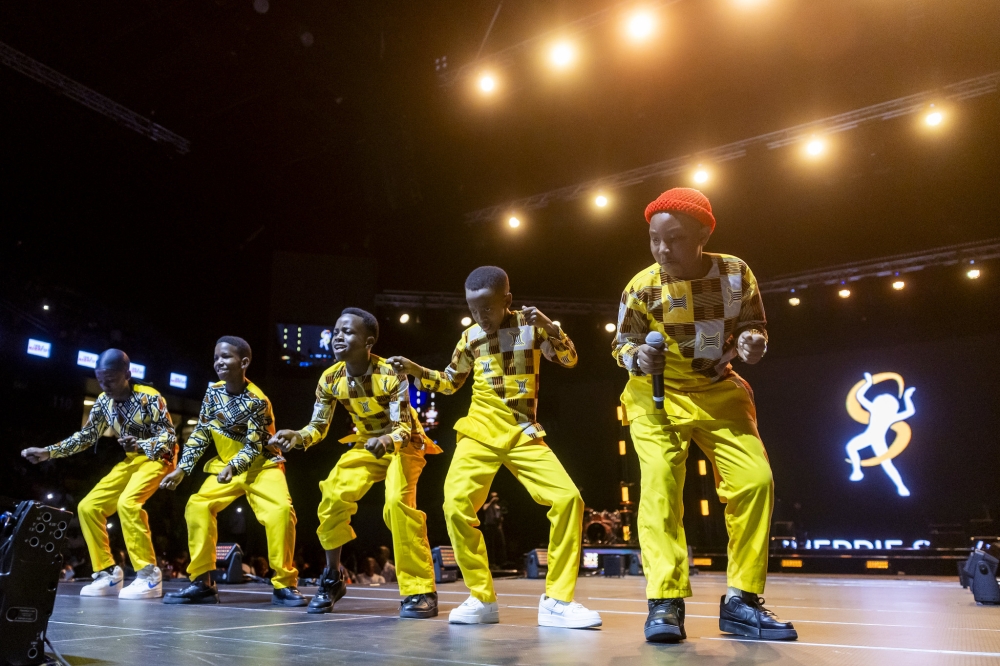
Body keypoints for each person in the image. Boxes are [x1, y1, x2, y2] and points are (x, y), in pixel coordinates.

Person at [612, 188, 797, 642]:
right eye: (654, 239)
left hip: (717, 391)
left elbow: (754, 326)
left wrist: (755, 343)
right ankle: (665, 602)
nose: (662, 249)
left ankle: (742, 601)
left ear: (703, 233)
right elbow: (621, 344)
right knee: (659, 487)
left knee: (756, 482)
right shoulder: (642, 286)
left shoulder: (735, 273)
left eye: (673, 238)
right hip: (655, 396)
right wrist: (639, 358)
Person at [389, 266, 602, 629]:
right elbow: (449, 383)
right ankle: (481, 598)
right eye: (473, 310)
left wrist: (552, 328)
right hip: (479, 432)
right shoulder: (469, 337)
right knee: (455, 504)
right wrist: (415, 369)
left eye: (487, 308)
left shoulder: (531, 327)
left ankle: (557, 600)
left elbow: (568, 359)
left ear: (507, 301)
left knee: (569, 500)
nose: (480, 317)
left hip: (522, 432)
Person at [270, 308, 441, 619]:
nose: (338, 336)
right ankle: (333, 578)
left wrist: (388, 441)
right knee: (333, 494)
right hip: (367, 444)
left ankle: (420, 590)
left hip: (403, 445)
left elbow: (402, 426)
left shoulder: (390, 373)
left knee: (396, 504)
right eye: (336, 331)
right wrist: (296, 435)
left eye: (348, 332)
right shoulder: (330, 378)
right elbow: (318, 427)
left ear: (369, 341)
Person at [159, 336, 305, 607]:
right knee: (197, 505)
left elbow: (254, 445)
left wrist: (232, 466)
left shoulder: (258, 400)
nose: (219, 362)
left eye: (225, 357)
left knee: (282, 512)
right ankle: (202, 582)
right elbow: (201, 433)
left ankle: (284, 584)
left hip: (262, 467)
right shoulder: (213, 392)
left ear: (244, 362)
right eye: (216, 357)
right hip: (226, 467)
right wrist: (182, 469)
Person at [21, 349, 176, 599]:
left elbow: (169, 438)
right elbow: (86, 436)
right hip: (132, 460)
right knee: (88, 506)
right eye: (101, 379)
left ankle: (148, 575)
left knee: (128, 503)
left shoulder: (149, 397)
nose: (105, 385)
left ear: (127, 374)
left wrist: (141, 445)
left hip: (159, 458)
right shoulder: (104, 401)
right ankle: (107, 573)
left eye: (111, 379)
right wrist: (49, 452)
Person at [845, 372, 914, 496]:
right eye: (881, 401)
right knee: (850, 447)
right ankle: (857, 471)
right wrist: (868, 383)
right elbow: (860, 396)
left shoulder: (891, 417)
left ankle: (901, 486)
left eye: (886, 403)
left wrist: (907, 397)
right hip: (867, 436)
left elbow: (910, 411)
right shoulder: (874, 409)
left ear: (891, 407)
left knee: (887, 464)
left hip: (879, 441)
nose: (882, 403)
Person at [480, 491, 507, 569]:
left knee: (501, 544)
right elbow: (484, 509)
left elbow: (501, 517)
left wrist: (500, 526)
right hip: (489, 526)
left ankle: (501, 562)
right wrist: (491, 502)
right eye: (492, 497)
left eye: (495, 496)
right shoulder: (487, 505)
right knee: (490, 545)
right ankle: (492, 562)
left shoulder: (498, 507)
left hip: (497, 527)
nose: (494, 498)